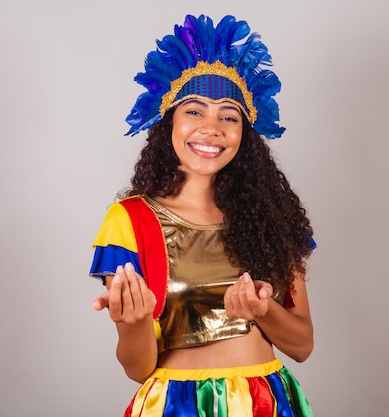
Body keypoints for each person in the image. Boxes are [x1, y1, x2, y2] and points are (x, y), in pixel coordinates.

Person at [89, 14, 316, 416]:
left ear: (244, 132)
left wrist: (265, 309)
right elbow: (137, 368)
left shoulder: (271, 216)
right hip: (176, 404)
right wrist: (135, 320)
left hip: (266, 401)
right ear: (169, 121)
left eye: (228, 116)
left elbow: (301, 345)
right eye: (194, 111)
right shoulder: (131, 220)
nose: (211, 128)